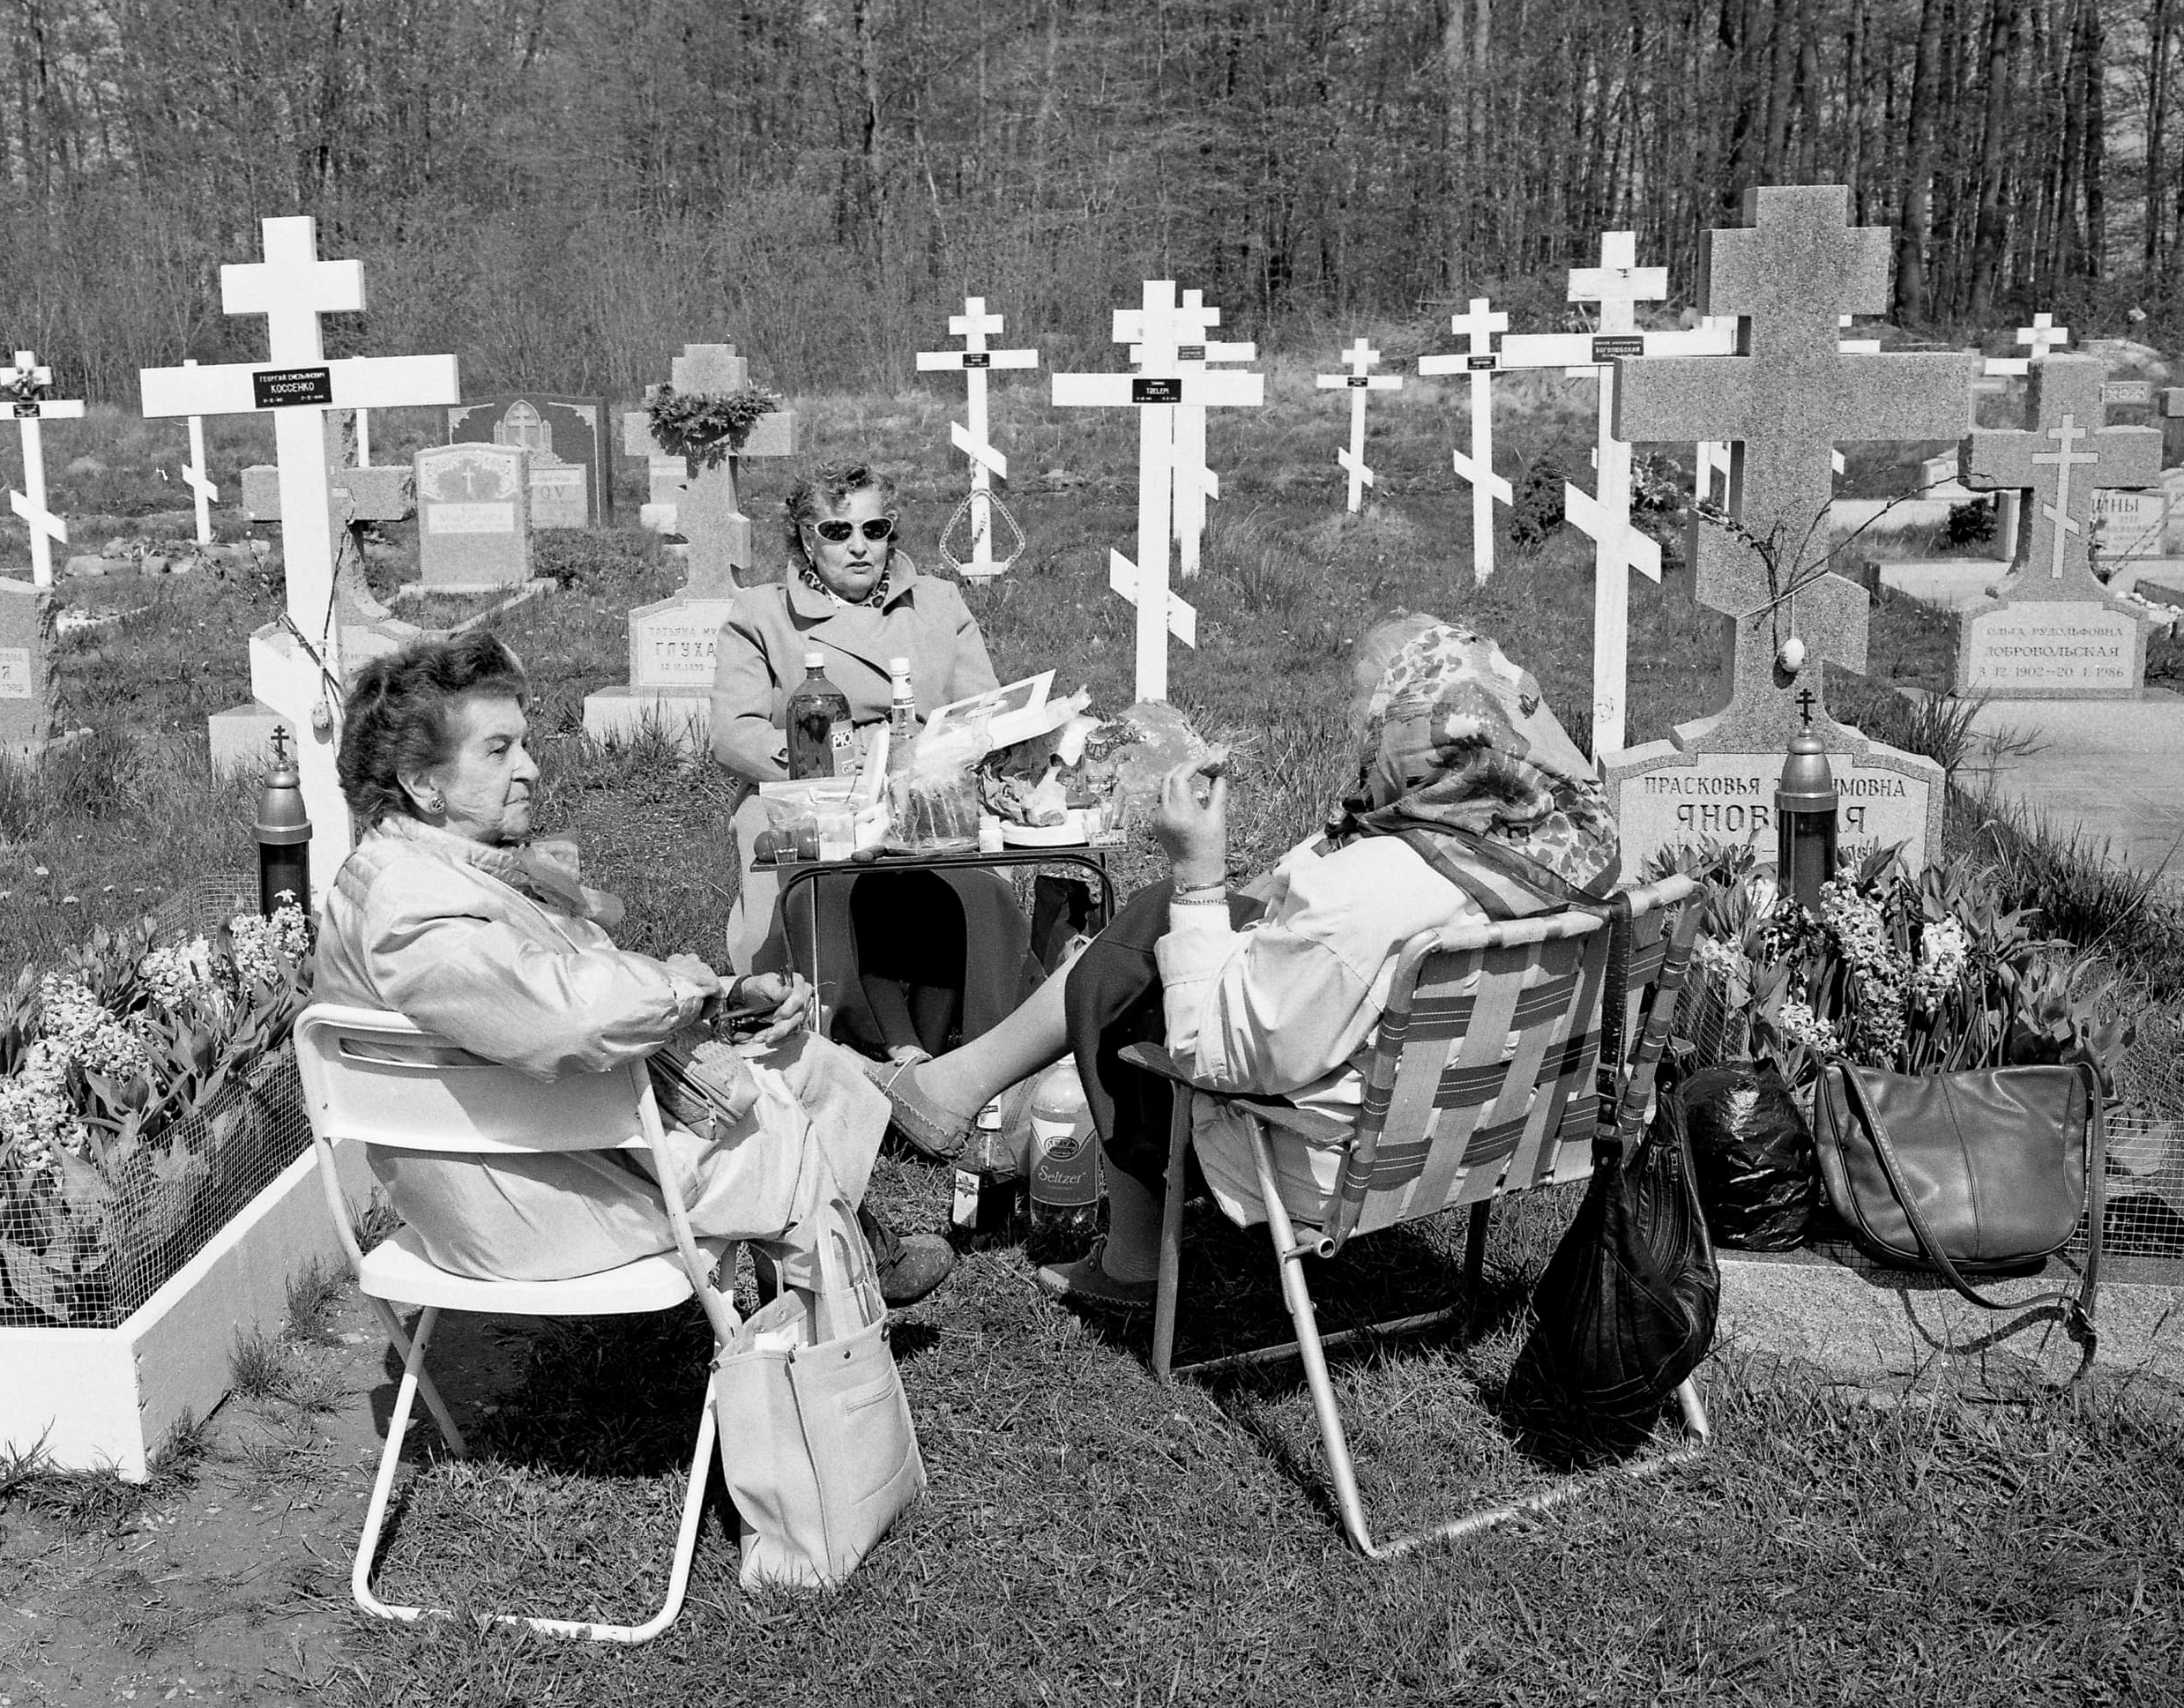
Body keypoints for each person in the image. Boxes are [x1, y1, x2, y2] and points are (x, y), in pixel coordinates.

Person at [862, 616, 1623, 1314]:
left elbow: (1217, 1054)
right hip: (1504, 1128)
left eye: (1377, 725)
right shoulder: (1574, 854)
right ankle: (958, 1091)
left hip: (1336, 1152)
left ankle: (1118, 1249)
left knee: (1128, 979)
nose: (1365, 741)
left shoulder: (1370, 895)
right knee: (1158, 917)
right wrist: (1232, 897)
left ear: (1418, 742)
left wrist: (1199, 873)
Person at [314, 626, 955, 1326]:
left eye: (523, 744)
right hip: (526, 1210)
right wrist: (690, 990)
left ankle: (842, 1263)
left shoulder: (424, 869)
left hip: (531, 1156)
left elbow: (559, 988)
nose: (529, 768)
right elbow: (573, 1017)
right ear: (422, 784)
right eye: (498, 751)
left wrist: (726, 997)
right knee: (779, 1113)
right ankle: (826, 1351)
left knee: (805, 1060)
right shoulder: (413, 915)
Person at [711, 463, 1033, 1054]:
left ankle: (980, 1038)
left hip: (928, 788)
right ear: (807, 539)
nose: (859, 546)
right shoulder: (761, 613)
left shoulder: (938, 603)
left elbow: (982, 712)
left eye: (874, 528)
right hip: (809, 790)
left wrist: (954, 753)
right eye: (837, 531)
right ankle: (843, 1028)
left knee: (976, 888)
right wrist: (831, 763)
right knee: (822, 892)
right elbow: (734, 734)